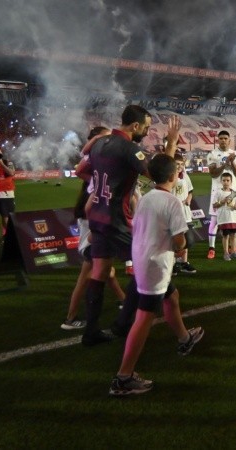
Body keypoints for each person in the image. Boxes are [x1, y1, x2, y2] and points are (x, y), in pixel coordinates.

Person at [76, 105, 181, 346]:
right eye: (145, 128)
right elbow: (159, 175)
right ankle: (123, 324)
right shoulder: (129, 148)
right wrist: (172, 143)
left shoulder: (100, 142)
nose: (145, 132)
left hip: (98, 218)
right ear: (135, 126)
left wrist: (104, 186)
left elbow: (81, 170)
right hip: (116, 220)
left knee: (99, 272)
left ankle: (90, 331)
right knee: (144, 268)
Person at [109, 154, 204, 396]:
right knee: (143, 319)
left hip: (143, 259)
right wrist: (182, 242)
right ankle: (123, 377)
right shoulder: (172, 202)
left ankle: (184, 339)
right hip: (156, 265)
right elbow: (180, 242)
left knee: (172, 297)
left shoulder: (146, 198)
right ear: (174, 176)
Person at [61, 126, 127, 331]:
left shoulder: (98, 171)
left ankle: (125, 302)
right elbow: (82, 168)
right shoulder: (94, 167)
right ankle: (70, 319)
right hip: (94, 229)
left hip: (96, 226)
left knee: (107, 271)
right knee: (88, 276)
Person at [206, 130, 236, 259]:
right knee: (215, 220)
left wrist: (231, 162)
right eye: (220, 138)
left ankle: (232, 249)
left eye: (225, 138)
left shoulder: (235, 153)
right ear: (217, 140)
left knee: (232, 218)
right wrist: (225, 163)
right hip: (218, 192)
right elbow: (213, 173)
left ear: (229, 140)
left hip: (232, 191)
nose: (223, 140)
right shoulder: (212, 154)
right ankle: (212, 248)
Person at [171, 153, 197, 274]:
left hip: (186, 213)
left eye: (181, 164)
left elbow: (190, 191)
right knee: (175, 240)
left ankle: (184, 262)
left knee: (188, 240)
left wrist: (189, 199)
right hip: (174, 214)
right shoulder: (168, 177)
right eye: (177, 164)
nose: (180, 166)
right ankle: (174, 264)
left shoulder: (185, 176)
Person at [212, 173, 236, 261]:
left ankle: (233, 252)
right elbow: (214, 205)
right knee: (225, 236)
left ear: (231, 182)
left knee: (234, 235)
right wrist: (222, 202)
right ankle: (226, 253)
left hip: (233, 218)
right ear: (221, 181)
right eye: (224, 180)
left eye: (228, 180)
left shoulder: (233, 192)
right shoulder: (218, 192)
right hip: (223, 218)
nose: (226, 182)